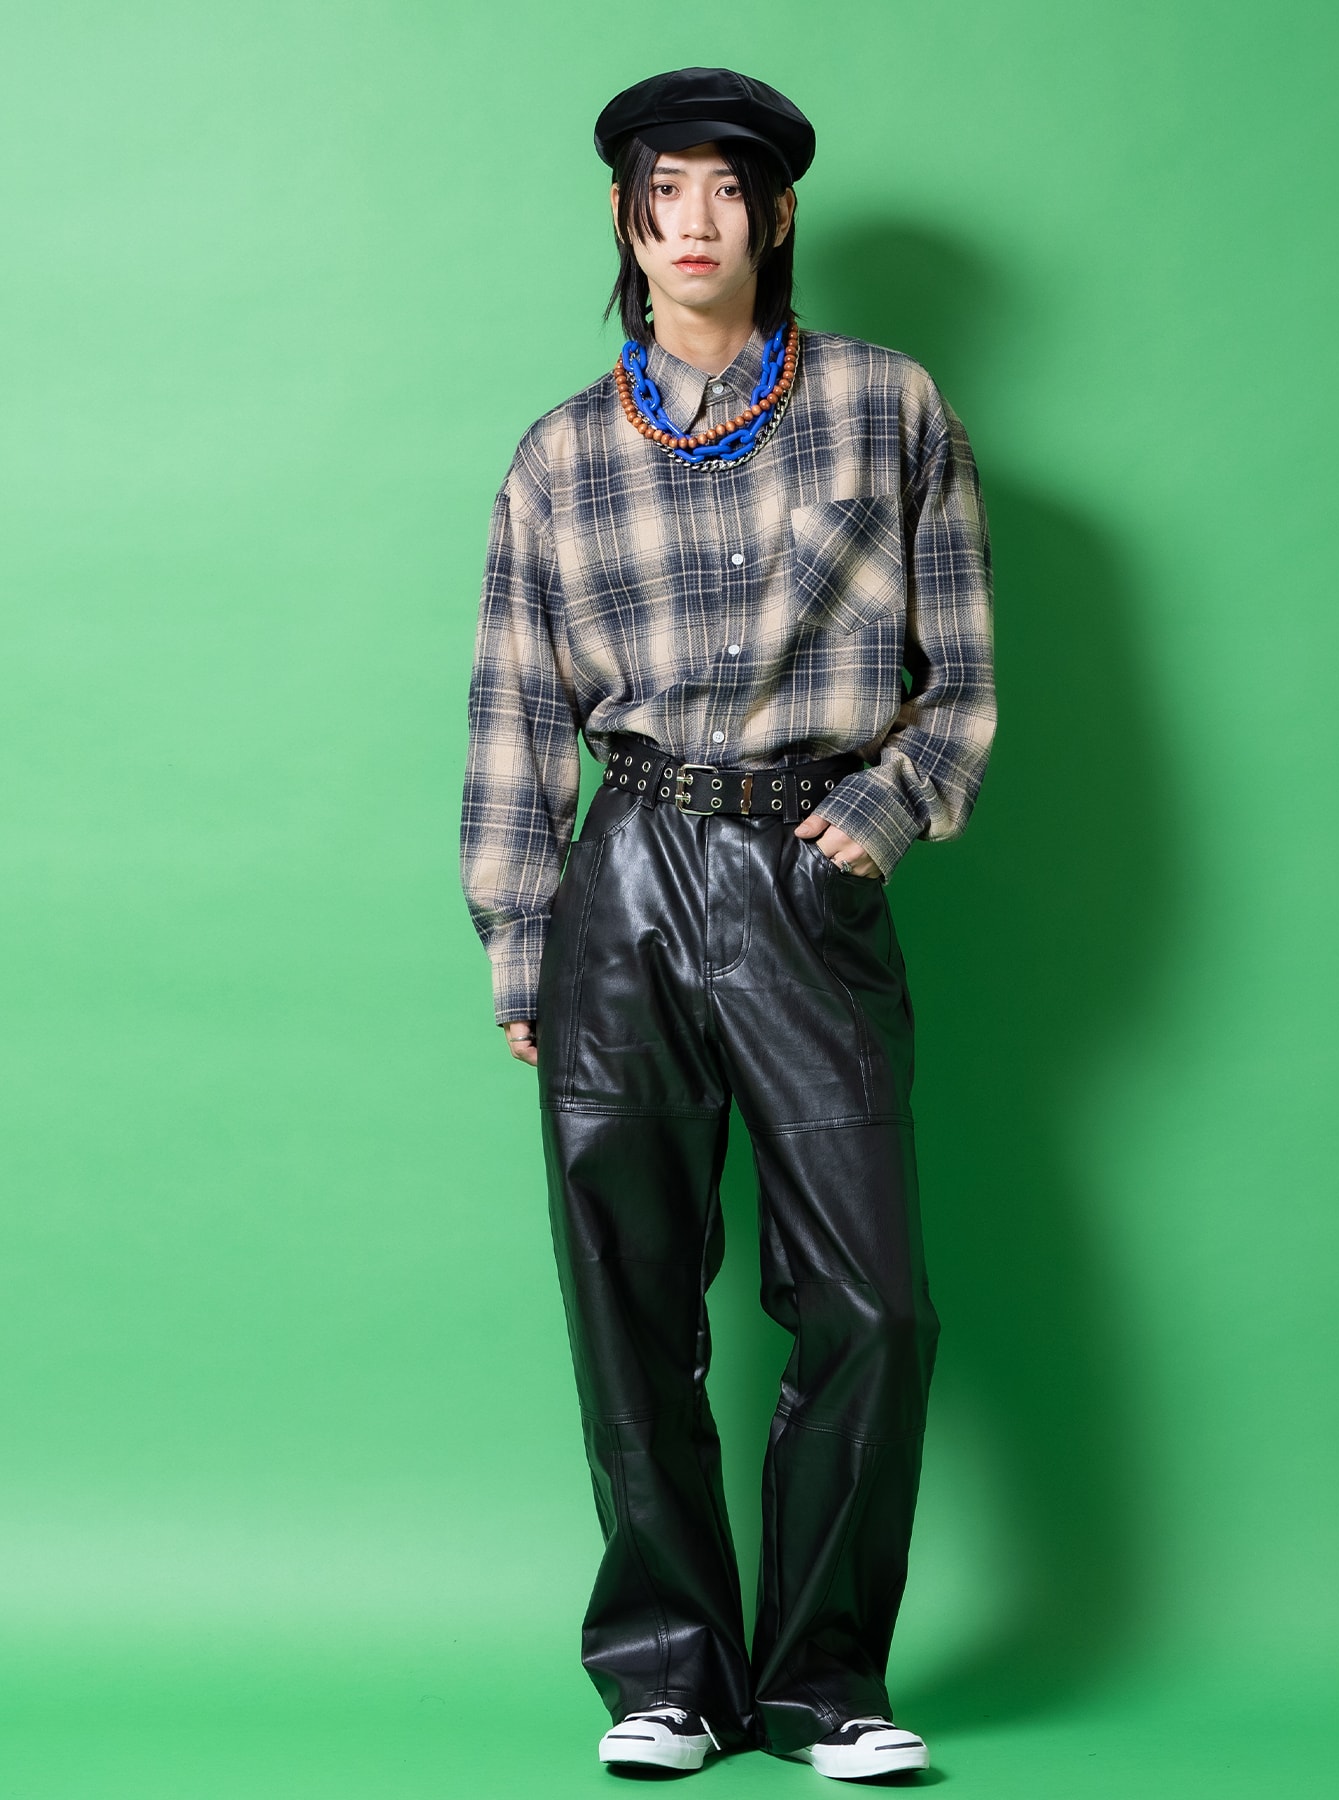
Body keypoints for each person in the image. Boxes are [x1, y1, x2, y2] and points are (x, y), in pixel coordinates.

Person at [461, 66, 995, 1781]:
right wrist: (522, 936)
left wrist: (883, 818)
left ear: (774, 214)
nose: (693, 221)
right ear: (625, 218)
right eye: (662, 189)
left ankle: (825, 1682)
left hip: (806, 873)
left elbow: (962, 680)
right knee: (627, 1294)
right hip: (622, 875)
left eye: (725, 189)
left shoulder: (887, 404)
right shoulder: (559, 454)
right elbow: (514, 711)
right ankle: (671, 1675)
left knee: (874, 1302)